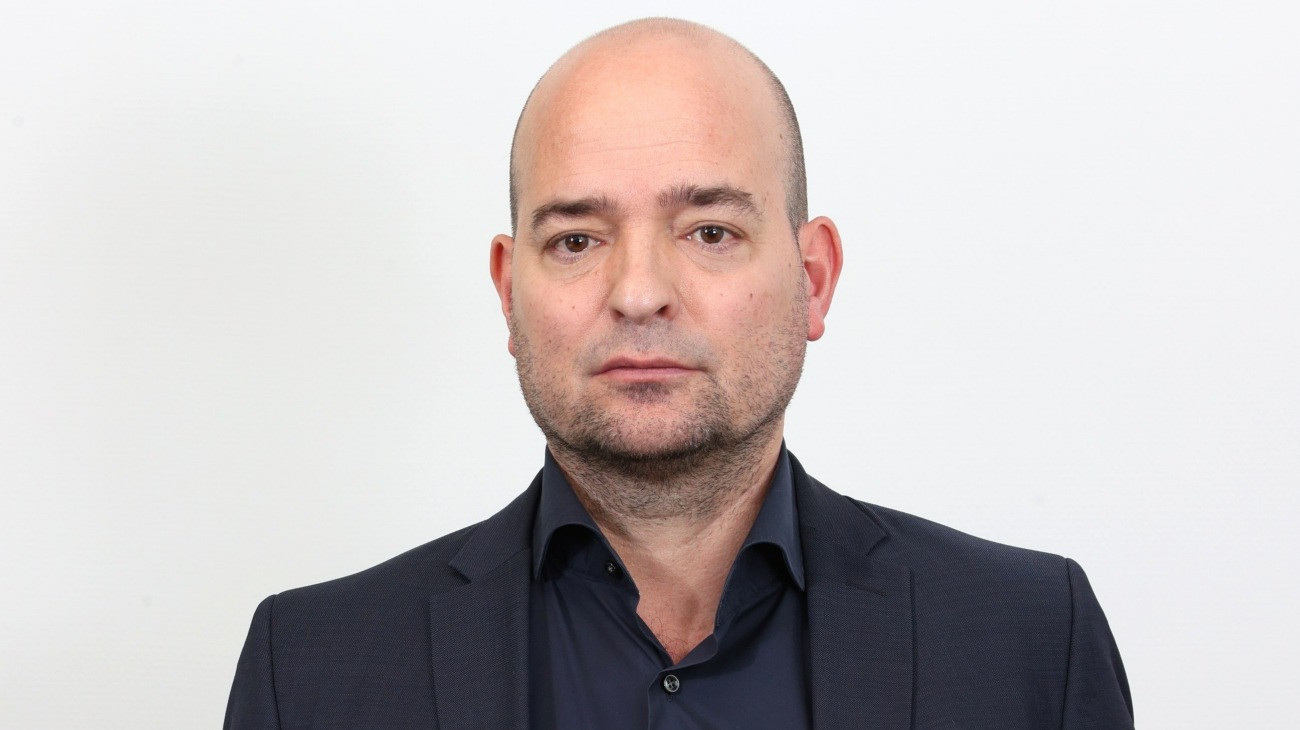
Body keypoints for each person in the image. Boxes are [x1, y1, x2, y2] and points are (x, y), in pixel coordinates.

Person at [225, 18, 1132, 729]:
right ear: (508, 293)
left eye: (709, 232)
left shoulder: (1030, 643)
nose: (639, 293)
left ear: (813, 280)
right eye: (576, 240)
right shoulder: (305, 671)